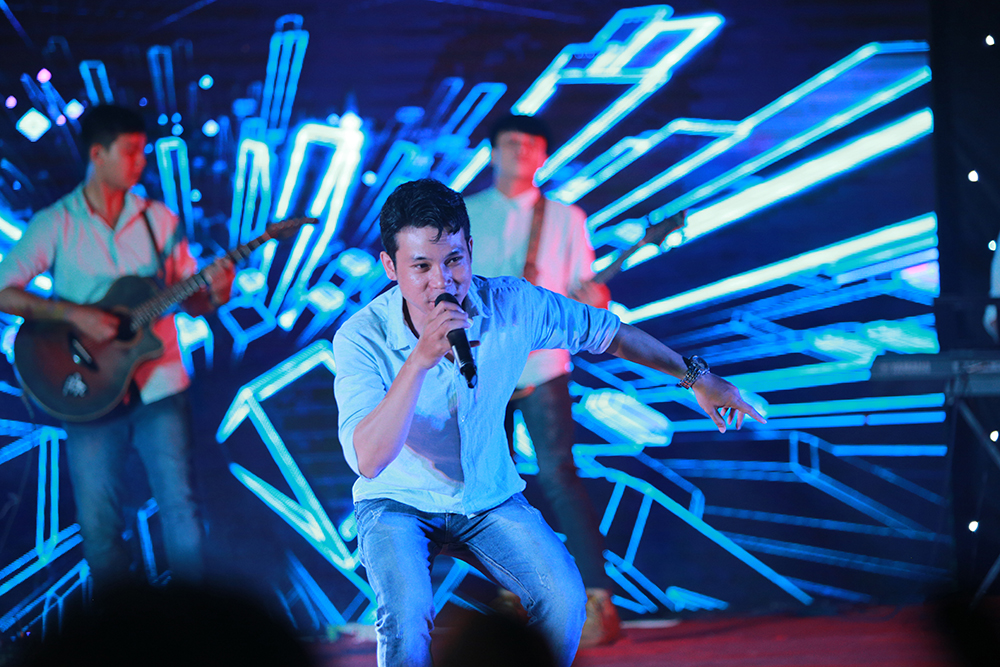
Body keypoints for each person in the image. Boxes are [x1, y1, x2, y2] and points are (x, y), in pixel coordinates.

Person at [332, 178, 763, 667]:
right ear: (390, 267)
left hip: (486, 497)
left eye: (453, 260)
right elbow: (370, 459)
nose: (443, 281)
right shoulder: (360, 338)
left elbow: (610, 334)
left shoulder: (512, 304)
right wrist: (419, 361)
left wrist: (696, 377)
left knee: (564, 601)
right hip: (396, 500)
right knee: (406, 619)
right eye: (421, 267)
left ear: (470, 248)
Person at [0, 104, 234, 592]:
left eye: (143, 152)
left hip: (159, 384)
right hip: (85, 390)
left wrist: (215, 292)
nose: (140, 162)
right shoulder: (55, 222)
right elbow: (4, 289)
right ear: (97, 154)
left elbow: (192, 303)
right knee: (99, 523)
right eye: (130, 152)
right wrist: (73, 314)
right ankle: (119, 629)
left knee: (181, 506)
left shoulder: (158, 220)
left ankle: (194, 623)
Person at [464, 113, 618, 645]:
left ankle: (596, 600)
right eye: (511, 142)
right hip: (481, 367)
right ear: (492, 151)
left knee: (559, 476)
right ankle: (512, 599)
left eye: (531, 144)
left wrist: (597, 298)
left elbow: (584, 288)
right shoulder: (466, 213)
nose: (520, 151)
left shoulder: (566, 217)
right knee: (492, 487)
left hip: (544, 364)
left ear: (544, 155)